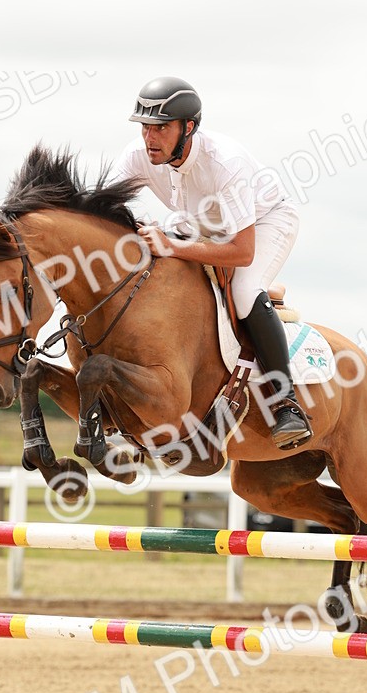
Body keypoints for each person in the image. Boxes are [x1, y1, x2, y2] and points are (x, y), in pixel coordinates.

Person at [111, 76, 312, 449]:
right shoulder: (138, 156)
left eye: (161, 128)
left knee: (244, 287)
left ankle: (286, 403)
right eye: (145, 128)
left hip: (265, 222)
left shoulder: (225, 162)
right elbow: (105, 211)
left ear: (188, 128)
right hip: (202, 223)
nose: (149, 139)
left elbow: (241, 252)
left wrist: (170, 246)